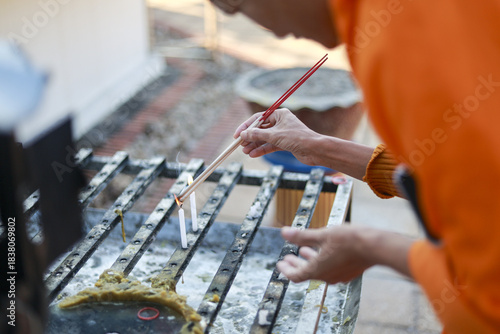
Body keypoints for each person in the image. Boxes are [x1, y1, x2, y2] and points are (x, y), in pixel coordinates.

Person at [211, 0, 500, 333]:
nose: (268, 30)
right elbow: (452, 181)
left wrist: (372, 246)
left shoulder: (400, 34)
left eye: (234, 6)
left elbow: (487, 299)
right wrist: (319, 147)